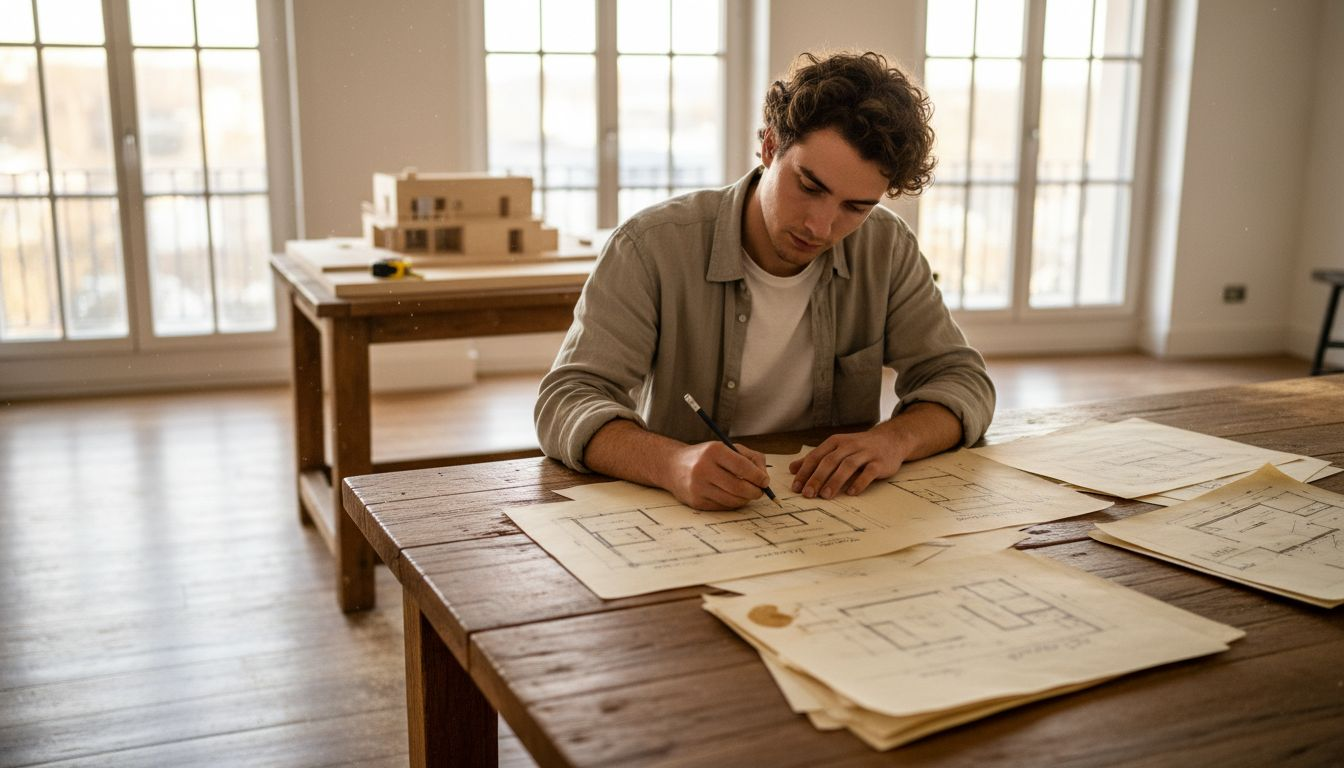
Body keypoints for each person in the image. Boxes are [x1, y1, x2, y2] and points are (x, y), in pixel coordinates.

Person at [535, 50, 995, 510]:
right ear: (771, 147)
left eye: (855, 207)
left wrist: (894, 439)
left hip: (829, 517)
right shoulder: (651, 246)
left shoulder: (886, 247)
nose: (821, 226)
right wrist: (672, 463)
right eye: (809, 187)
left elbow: (961, 381)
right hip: (684, 519)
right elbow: (567, 400)